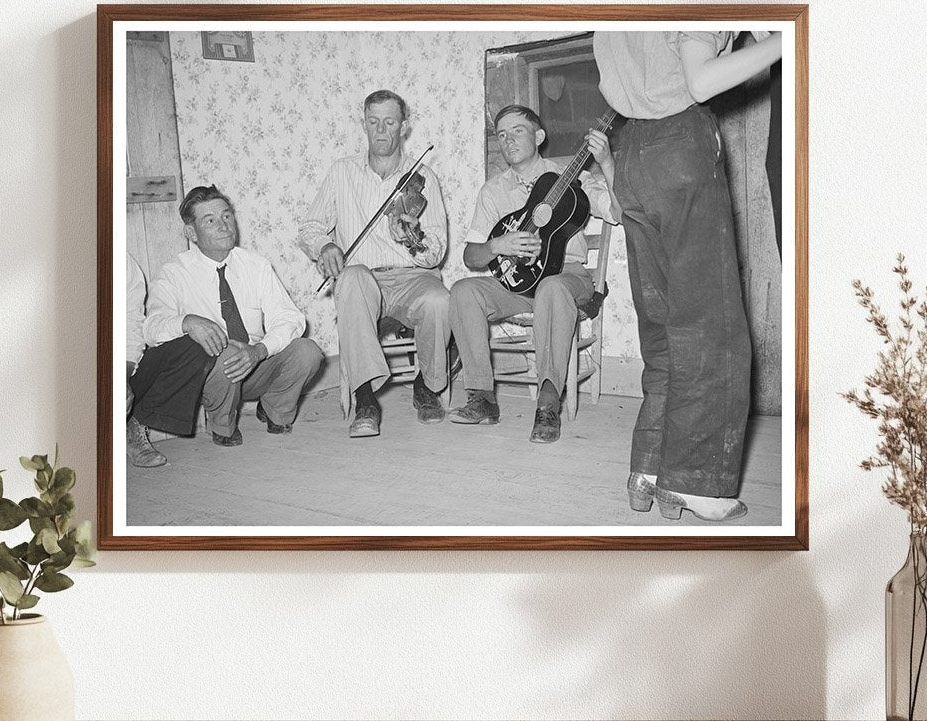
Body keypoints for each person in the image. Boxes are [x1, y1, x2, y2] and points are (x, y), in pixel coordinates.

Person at [592, 29, 782, 521]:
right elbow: (701, 82)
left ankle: (649, 470)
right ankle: (699, 484)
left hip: (629, 153)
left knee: (663, 329)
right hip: (679, 145)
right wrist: (791, 39)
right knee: (710, 328)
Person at [447, 105, 620, 444]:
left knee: (552, 289)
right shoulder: (493, 191)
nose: (508, 139)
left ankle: (548, 400)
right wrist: (498, 245)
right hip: (520, 284)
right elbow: (471, 256)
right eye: (501, 134)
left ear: (539, 136)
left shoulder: (573, 177)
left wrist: (608, 164)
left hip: (566, 277)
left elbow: (616, 213)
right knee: (464, 290)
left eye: (517, 131)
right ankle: (481, 397)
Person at [300, 90, 450, 438]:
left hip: (413, 276)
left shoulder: (423, 176)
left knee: (440, 299)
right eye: (373, 122)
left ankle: (425, 386)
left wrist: (413, 240)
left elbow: (436, 253)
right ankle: (365, 398)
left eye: (390, 122)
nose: (381, 131)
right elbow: (310, 227)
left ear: (404, 126)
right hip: (364, 278)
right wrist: (324, 246)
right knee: (350, 279)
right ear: (363, 123)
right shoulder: (342, 171)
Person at [140, 185, 324, 447]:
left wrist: (259, 351)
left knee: (307, 350)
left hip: (255, 365)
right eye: (210, 220)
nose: (223, 225)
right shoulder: (174, 273)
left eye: (226, 216)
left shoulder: (256, 265)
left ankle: (275, 409)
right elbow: (151, 327)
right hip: (211, 377)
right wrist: (187, 322)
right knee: (224, 352)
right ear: (191, 232)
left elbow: (290, 318)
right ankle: (221, 424)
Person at [126, 252, 209, 467]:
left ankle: (132, 423)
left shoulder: (121, 261)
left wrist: (121, 378)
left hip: (112, 368)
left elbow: (131, 327)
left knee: (192, 345)